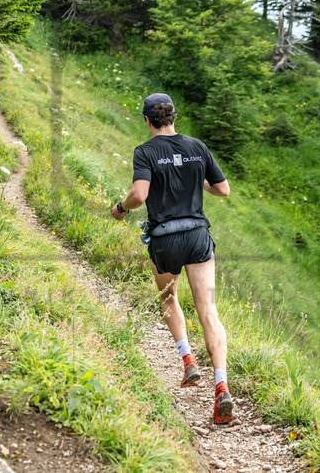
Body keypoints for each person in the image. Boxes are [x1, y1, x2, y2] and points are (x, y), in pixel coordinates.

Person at [110, 93, 234, 425]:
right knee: (209, 313)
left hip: (164, 240)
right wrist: (200, 182)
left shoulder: (145, 151)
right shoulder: (198, 146)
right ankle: (221, 386)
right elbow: (223, 189)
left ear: (148, 120)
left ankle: (188, 361)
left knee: (169, 298)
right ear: (174, 117)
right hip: (196, 237)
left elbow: (139, 194)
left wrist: (120, 210)